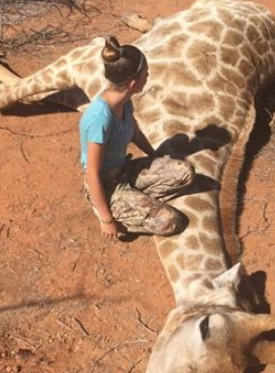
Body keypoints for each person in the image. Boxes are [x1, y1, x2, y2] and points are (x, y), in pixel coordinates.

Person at [81, 36, 195, 240]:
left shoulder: (124, 101)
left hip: (125, 169)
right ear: (133, 83)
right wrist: (107, 219)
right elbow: (91, 174)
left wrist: (155, 157)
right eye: (146, 74)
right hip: (107, 185)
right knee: (170, 221)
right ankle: (114, 209)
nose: (148, 76)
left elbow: (134, 132)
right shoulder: (99, 119)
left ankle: (136, 202)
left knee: (185, 172)